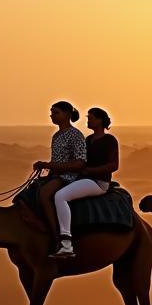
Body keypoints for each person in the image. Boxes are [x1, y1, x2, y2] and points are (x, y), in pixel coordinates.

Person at [50, 107, 119, 259]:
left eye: (91, 118)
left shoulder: (109, 140)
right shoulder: (88, 140)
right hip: (84, 179)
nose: (88, 120)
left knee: (60, 196)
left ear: (100, 120)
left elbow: (114, 165)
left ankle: (66, 244)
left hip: (98, 182)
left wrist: (90, 171)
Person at [33, 101, 86, 249]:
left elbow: (79, 163)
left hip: (69, 177)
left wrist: (49, 165)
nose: (52, 115)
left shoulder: (76, 135)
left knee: (44, 194)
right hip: (56, 175)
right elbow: (56, 160)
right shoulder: (56, 136)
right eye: (51, 112)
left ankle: (58, 236)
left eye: (56, 112)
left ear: (67, 114)